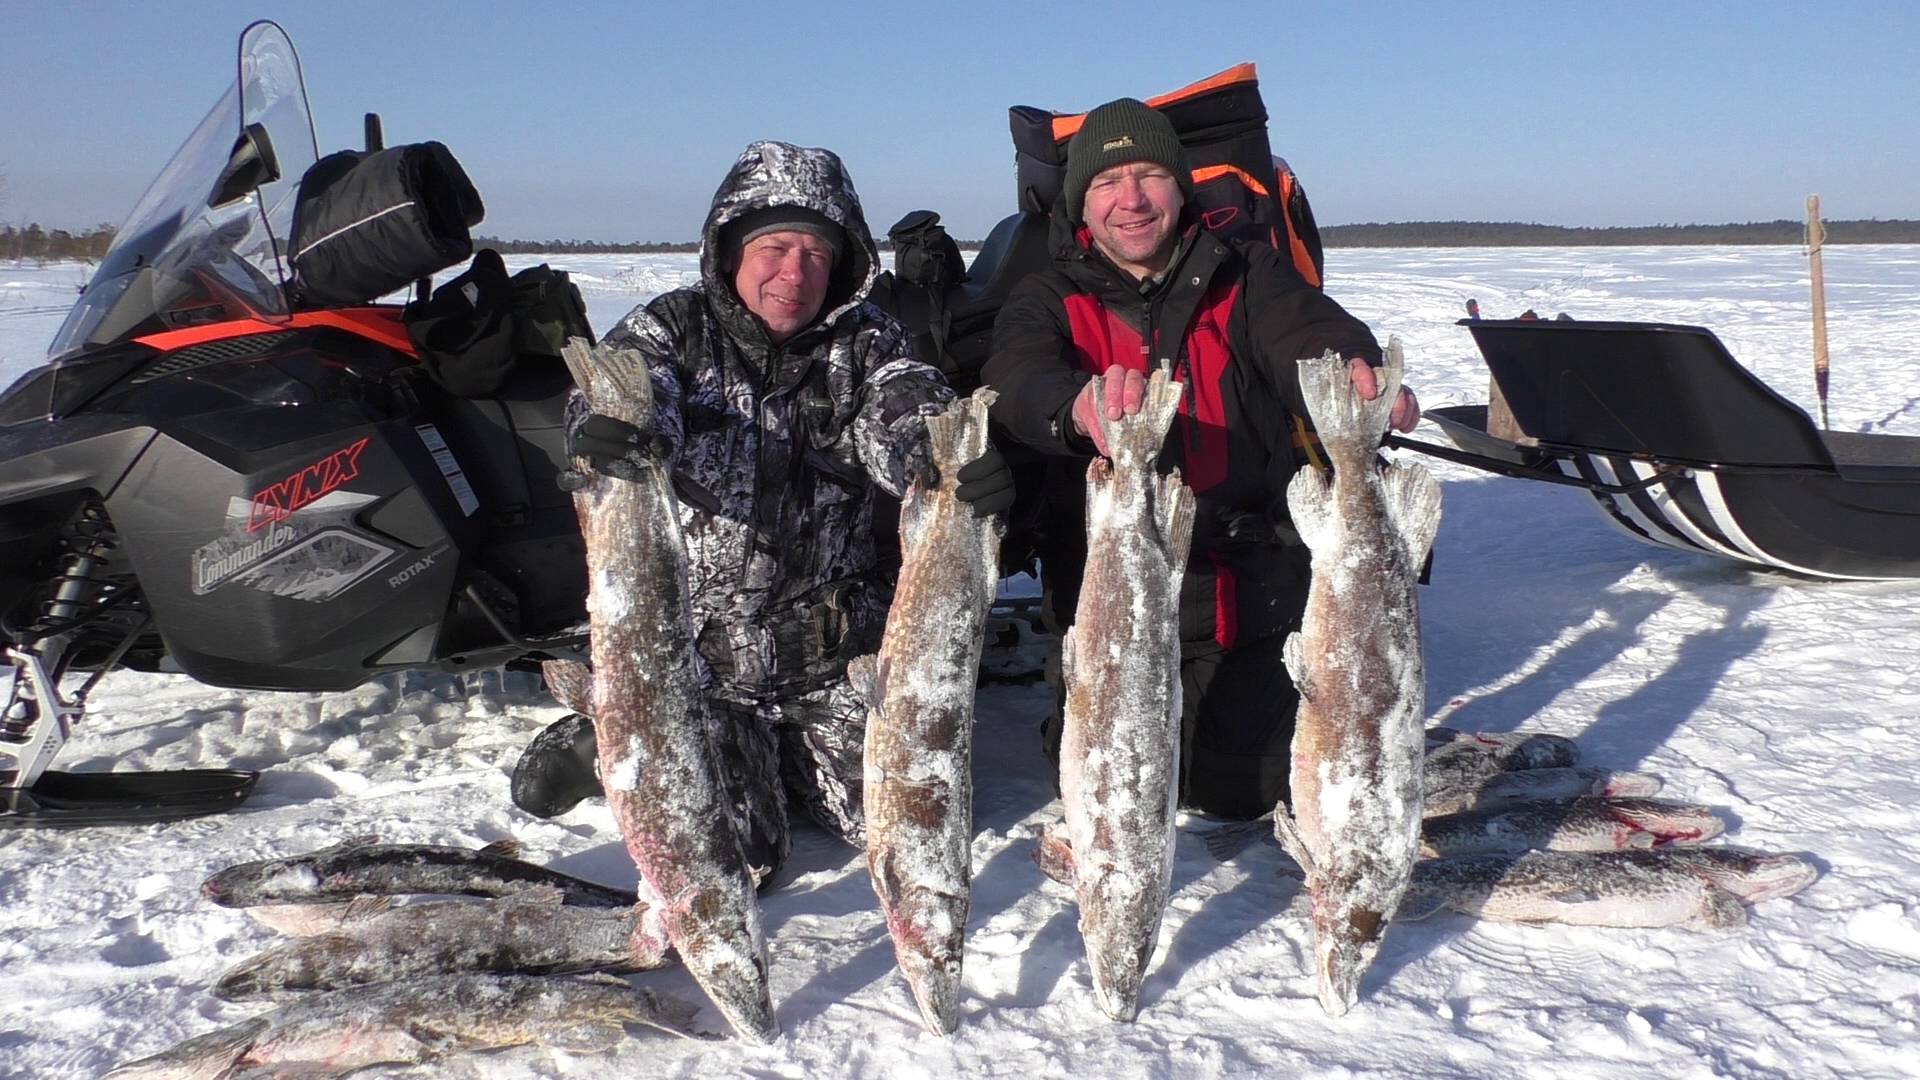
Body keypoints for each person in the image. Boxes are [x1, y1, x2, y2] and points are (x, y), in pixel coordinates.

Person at [510, 141, 1010, 876]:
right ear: (730, 249)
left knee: (910, 826)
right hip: (703, 661)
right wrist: (619, 427)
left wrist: (943, 456)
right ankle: (616, 728)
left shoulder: (866, 341)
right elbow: (629, 387)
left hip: (834, 656)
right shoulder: (672, 328)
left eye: (817, 255)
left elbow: (904, 398)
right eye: (776, 247)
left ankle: (765, 752)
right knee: (740, 856)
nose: (795, 273)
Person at [981, 98, 1421, 821]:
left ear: (1181, 186)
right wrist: (1079, 407)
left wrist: (1350, 372)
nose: (1131, 200)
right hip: (1108, 600)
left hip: (1235, 592)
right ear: (1081, 204)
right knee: (1110, 791)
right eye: (1106, 183)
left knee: (1236, 793)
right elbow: (1018, 379)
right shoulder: (1046, 294)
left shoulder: (1245, 271)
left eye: (1150, 174)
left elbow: (1306, 331)